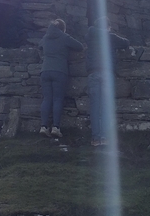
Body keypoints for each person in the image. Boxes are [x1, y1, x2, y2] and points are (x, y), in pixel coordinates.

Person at [86, 16, 129, 146]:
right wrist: (108, 32)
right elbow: (126, 43)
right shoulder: (109, 36)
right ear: (107, 27)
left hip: (93, 72)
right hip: (106, 72)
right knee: (105, 107)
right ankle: (104, 138)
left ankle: (95, 138)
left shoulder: (90, 35)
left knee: (94, 106)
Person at [38, 18, 84, 137]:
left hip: (45, 70)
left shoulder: (45, 37)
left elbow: (39, 47)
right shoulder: (64, 37)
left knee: (47, 99)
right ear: (62, 28)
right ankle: (56, 128)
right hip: (59, 70)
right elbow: (80, 47)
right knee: (57, 99)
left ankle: (43, 127)